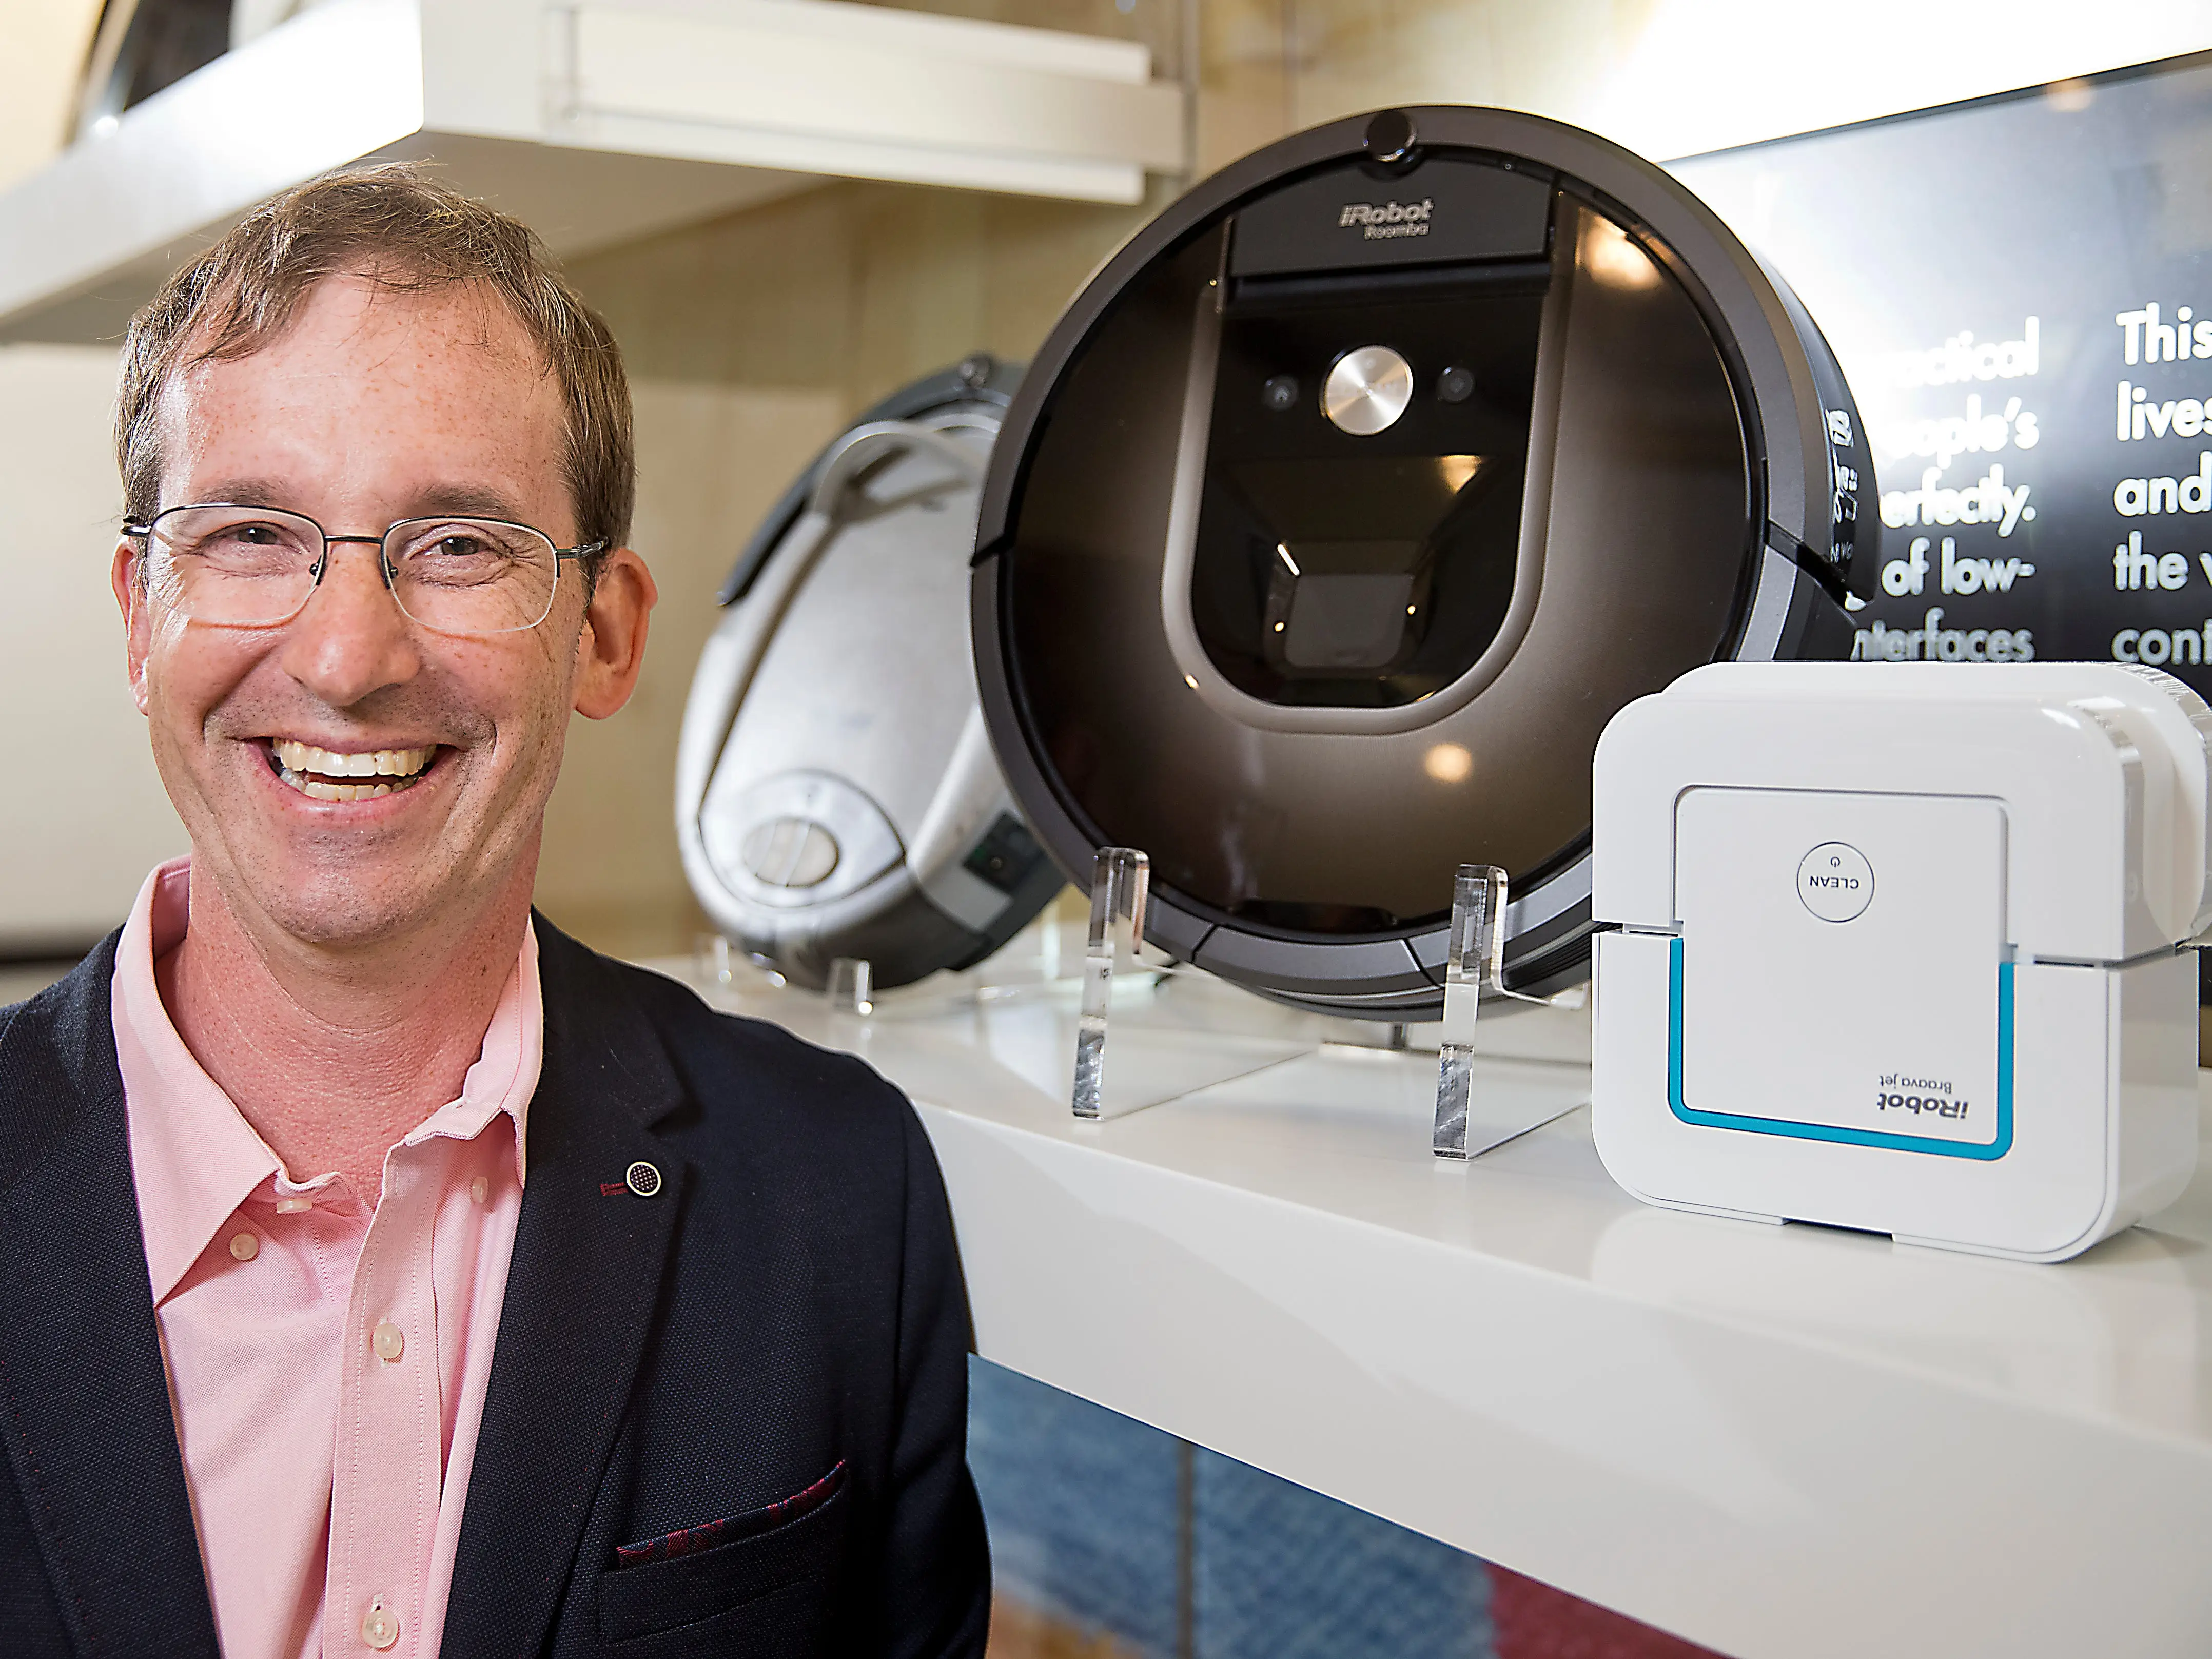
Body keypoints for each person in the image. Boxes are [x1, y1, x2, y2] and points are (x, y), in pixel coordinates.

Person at [0, 164, 989, 1658]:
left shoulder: (838, 1193)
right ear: (144, 616)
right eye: (252, 534)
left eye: (459, 543)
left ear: (601, 634)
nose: (346, 657)